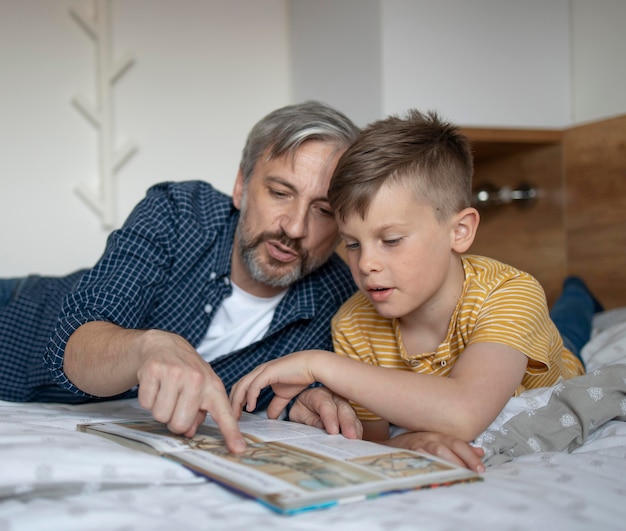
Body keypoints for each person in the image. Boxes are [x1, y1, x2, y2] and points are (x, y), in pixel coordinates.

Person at [231, 109, 599, 469]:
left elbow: (463, 412)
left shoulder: (509, 292)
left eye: (390, 240)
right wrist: (405, 442)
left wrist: (318, 363)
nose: (365, 264)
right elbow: (372, 438)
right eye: (353, 244)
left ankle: (579, 293)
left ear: (460, 231)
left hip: (550, 360)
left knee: (569, 328)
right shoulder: (354, 322)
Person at [0, 100, 360, 453]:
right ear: (240, 186)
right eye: (280, 193)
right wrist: (149, 348)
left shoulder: (341, 297)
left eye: (323, 210)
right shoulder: (179, 213)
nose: (295, 228)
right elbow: (76, 342)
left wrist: (303, 400)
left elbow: (278, 393)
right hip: (17, 323)